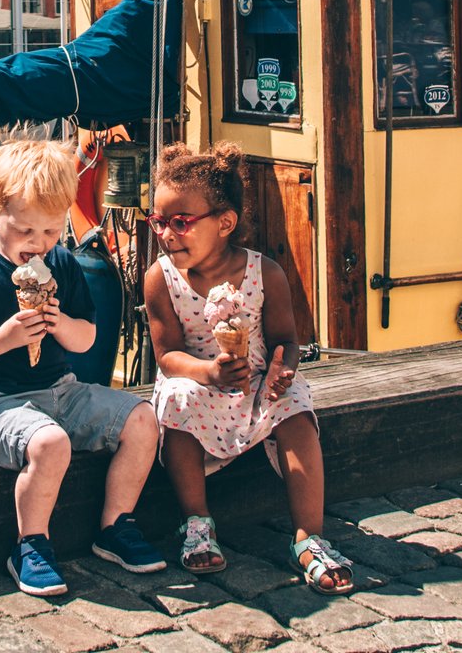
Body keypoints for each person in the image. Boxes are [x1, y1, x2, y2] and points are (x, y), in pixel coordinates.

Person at [0, 133, 165, 598]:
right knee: (51, 444)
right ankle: (30, 545)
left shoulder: (63, 264)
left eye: (51, 231)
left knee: (143, 418)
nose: (38, 245)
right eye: (26, 231)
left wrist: (58, 324)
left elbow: (87, 338)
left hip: (62, 389)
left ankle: (115, 527)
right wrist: (6, 337)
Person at [143, 141, 353, 596]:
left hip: (256, 384)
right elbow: (166, 356)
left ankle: (309, 538)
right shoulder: (161, 278)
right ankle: (196, 522)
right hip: (198, 380)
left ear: (225, 223)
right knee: (176, 401)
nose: (166, 233)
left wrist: (284, 369)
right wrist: (209, 373)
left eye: (180, 222)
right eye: (158, 222)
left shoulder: (266, 273)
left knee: (296, 409)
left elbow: (286, 342)